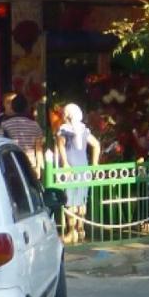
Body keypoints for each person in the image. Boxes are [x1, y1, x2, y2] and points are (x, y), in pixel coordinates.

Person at [57, 103, 100, 243]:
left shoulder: (64, 129)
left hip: (71, 168)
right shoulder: (83, 130)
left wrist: (65, 163)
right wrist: (94, 164)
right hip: (84, 168)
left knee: (70, 201)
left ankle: (72, 232)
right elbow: (96, 145)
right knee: (81, 200)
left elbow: (61, 146)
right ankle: (80, 230)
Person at [1, 95, 45, 177]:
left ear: (12, 108)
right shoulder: (35, 125)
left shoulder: (5, 125)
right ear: (26, 109)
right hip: (31, 165)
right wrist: (38, 167)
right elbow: (38, 148)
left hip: (13, 163)